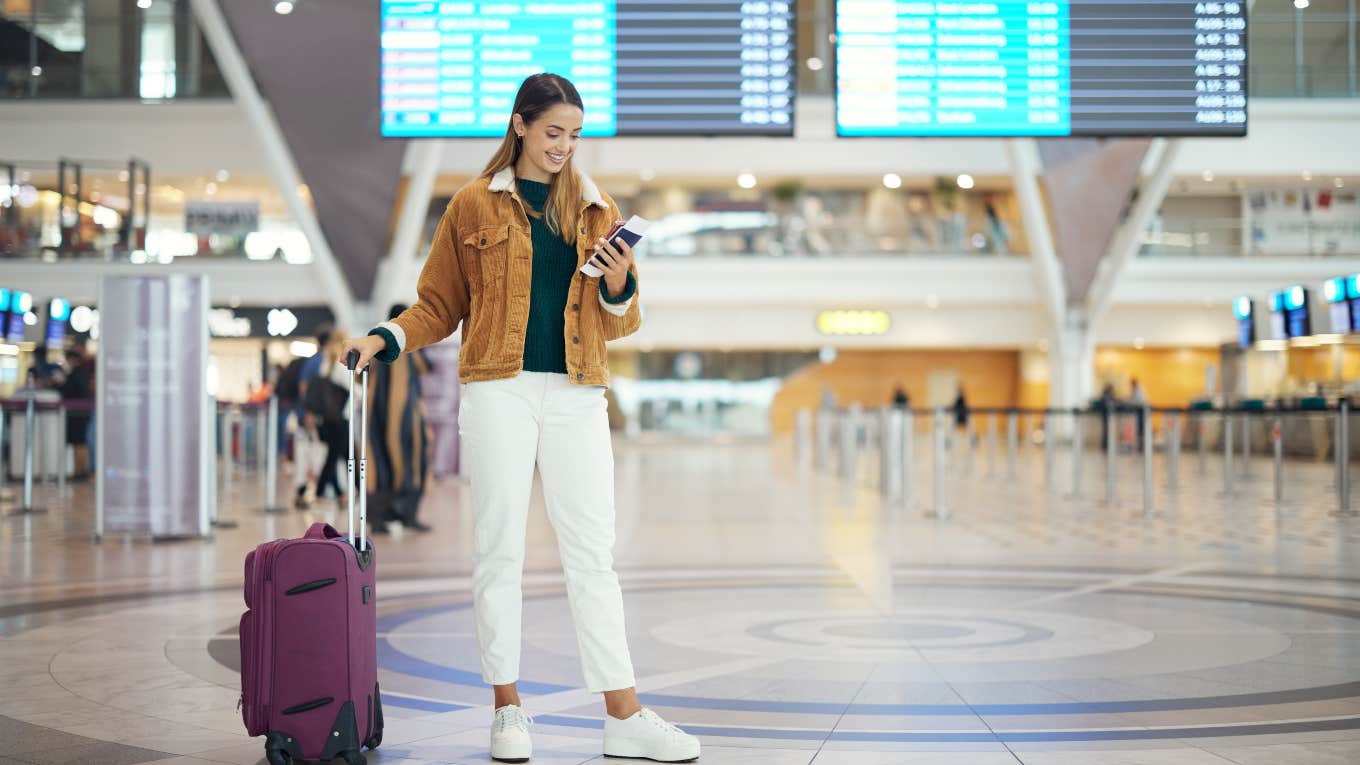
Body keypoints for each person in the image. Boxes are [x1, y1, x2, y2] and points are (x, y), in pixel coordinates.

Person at [343, 73, 700, 763]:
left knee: (593, 555)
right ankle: (507, 709)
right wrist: (382, 338)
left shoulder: (598, 211)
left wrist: (623, 281)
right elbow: (437, 306)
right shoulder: (474, 205)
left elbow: (618, 323)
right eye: (552, 133)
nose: (564, 147)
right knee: (499, 551)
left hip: (577, 392)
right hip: (498, 389)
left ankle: (623, 714)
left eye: (573, 135)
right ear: (520, 126)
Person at [366, 304, 434, 535]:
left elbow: (360, 377)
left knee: (378, 463)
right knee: (411, 462)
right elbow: (426, 367)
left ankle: (377, 519)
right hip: (406, 418)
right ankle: (408, 516)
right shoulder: (408, 344)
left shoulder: (375, 343)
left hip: (376, 417)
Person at [304, 331, 351, 507]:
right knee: (337, 456)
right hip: (340, 418)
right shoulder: (340, 365)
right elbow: (353, 389)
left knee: (341, 454)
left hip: (328, 418)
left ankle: (341, 493)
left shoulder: (325, 363)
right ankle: (322, 491)